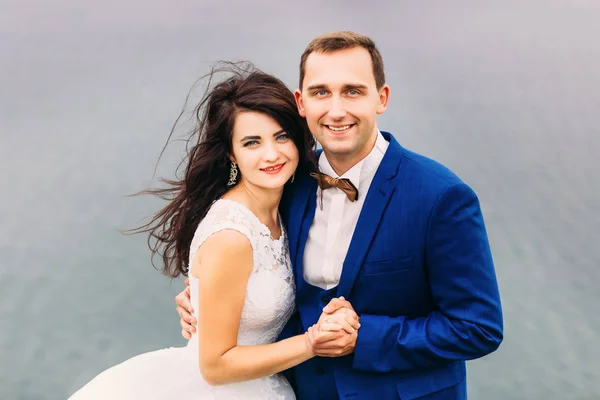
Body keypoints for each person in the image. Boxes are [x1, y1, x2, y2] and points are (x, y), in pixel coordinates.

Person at [177, 32, 504, 399]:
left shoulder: (440, 196)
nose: (336, 110)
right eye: (320, 92)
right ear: (301, 103)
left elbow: (478, 327)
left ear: (381, 98)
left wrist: (364, 339)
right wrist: (208, 304)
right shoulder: (287, 179)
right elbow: (247, 259)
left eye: (352, 91)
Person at [69, 63, 361, 400]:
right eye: (252, 142)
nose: (272, 154)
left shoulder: (286, 202)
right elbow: (215, 366)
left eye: (282, 136)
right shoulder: (231, 236)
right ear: (231, 154)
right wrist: (312, 342)